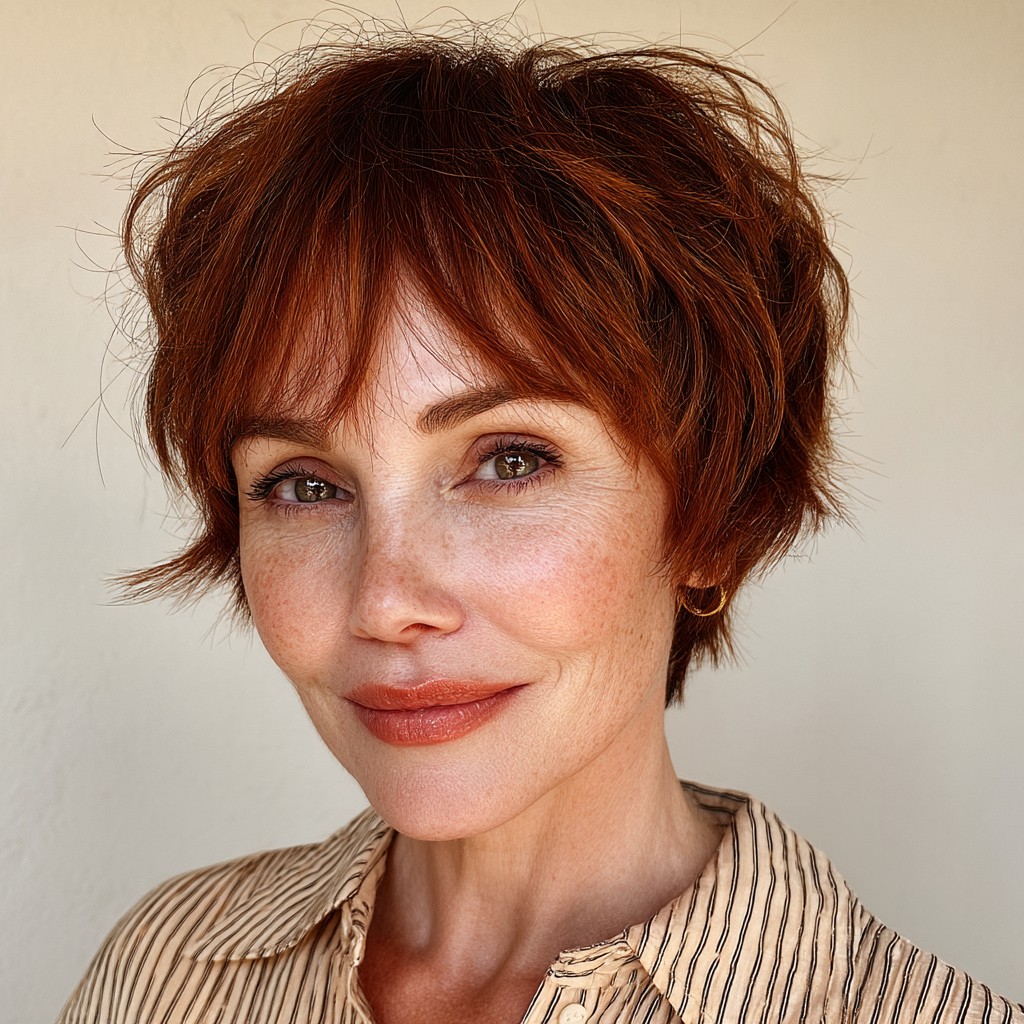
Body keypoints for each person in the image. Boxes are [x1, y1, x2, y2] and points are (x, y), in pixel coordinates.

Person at [57, 30, 1022, 1024]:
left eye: (510, 461)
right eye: (304, 484)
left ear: (715, 519)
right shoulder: (162, 975)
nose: (385, 602)